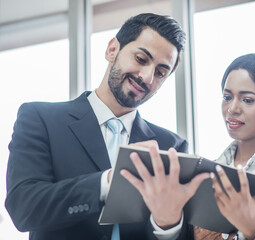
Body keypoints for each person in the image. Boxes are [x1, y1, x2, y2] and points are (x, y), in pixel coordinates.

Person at [5, 13, 209, 240]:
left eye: (160, 72)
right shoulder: (41, 118)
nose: (147, 77)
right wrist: (108, 182)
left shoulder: (172, 146)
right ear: (112, 50)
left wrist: (166, 224)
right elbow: (23, 207)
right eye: (141, 59)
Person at [124, 53, 255, 240]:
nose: (232, 108)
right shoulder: (205, 170)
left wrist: (254, 229)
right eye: (227, 97)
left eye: (247, 100)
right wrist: (168, 221)